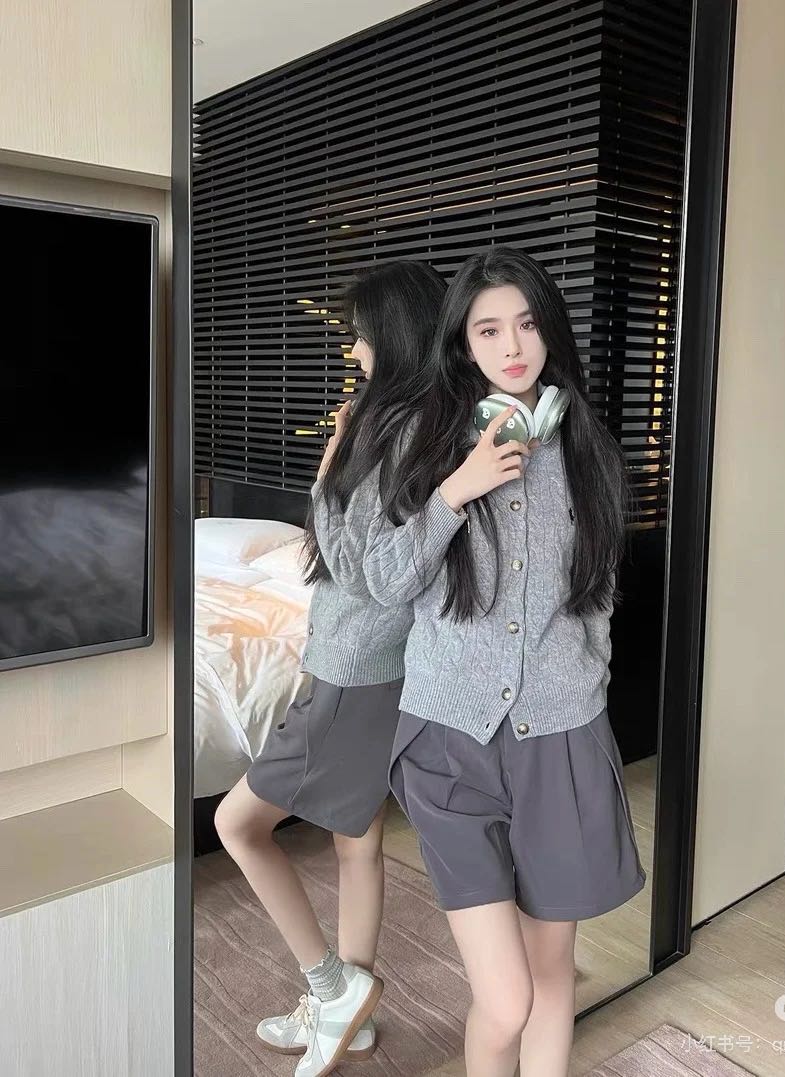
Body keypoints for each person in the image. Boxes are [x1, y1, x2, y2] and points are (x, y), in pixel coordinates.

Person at [325, 245, 646, 1076]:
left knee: (551, 974)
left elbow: (598, 593)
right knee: (505, 999)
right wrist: (454, 492)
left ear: (550, 332)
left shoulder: (588, 449)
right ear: (463, 343)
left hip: (562, 737)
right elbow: (385, 580)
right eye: (489, 329)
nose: (512, 346)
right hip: (450, 741)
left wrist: (588, 681)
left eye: (527, 325)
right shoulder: (425, 439)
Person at [213, 259, 447, 1077]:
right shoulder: (422, 426)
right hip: (383, 666)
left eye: (359, 334)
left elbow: (353, 565)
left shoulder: (398, 433)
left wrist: (331, 464)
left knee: (236, 824)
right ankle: (353, 1014)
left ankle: (330, 985)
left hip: (353, 667)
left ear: (395, 334)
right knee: (357, 841)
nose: (353, 350)